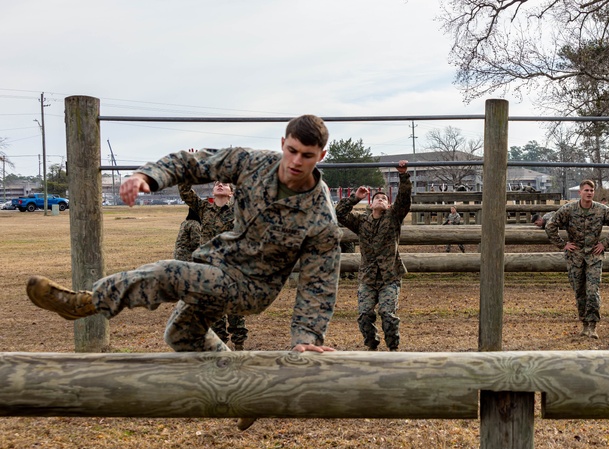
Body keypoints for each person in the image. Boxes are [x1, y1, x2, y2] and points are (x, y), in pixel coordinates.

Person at [25, 115, 340, 431]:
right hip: (217, 263)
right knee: (181, 332)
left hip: (252, 287)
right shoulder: (255, 162)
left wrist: (306, 337)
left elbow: (319, 281)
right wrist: (148, 175)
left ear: (321, 156)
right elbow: (195, 162)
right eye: (292, 150)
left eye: (307, 155)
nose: (296, 161)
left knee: (167, 274)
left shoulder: (320, 215)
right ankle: (243, 395)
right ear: (282, 144)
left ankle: (87, 303)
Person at [336, 162, 412, 351]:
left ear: (388, 205)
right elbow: (339, 213)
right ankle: (372, 345)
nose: (380, 200)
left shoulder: (394, 217)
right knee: (364, 314)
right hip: (368, 277)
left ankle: (393, 347)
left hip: (389, 277)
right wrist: (354, 198)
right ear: (370, 204)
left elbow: (404, 200)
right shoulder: (362, 221)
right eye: (377, 198)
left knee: (387, 313)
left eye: (384, 199)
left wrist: (403, 175)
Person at [545, 179, 609, 339]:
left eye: (591, 191)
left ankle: (593, 325)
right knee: (579, 291)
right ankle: (584, 324)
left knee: (593, 291)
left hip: (594, 255)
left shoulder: (602, 210)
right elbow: (550, 226)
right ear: (580, 192)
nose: (589, 193)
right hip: (575, 256)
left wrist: (605, 243)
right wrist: (562, 244)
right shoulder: (568, 209)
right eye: (586, 190)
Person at [179, 180, 247, 350]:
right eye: (216, 183)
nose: (219, 184)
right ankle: (220, 349)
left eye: (224, 184)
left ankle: (239, 348)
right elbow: (185, 192)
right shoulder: (204, 209)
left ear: (231, 193)